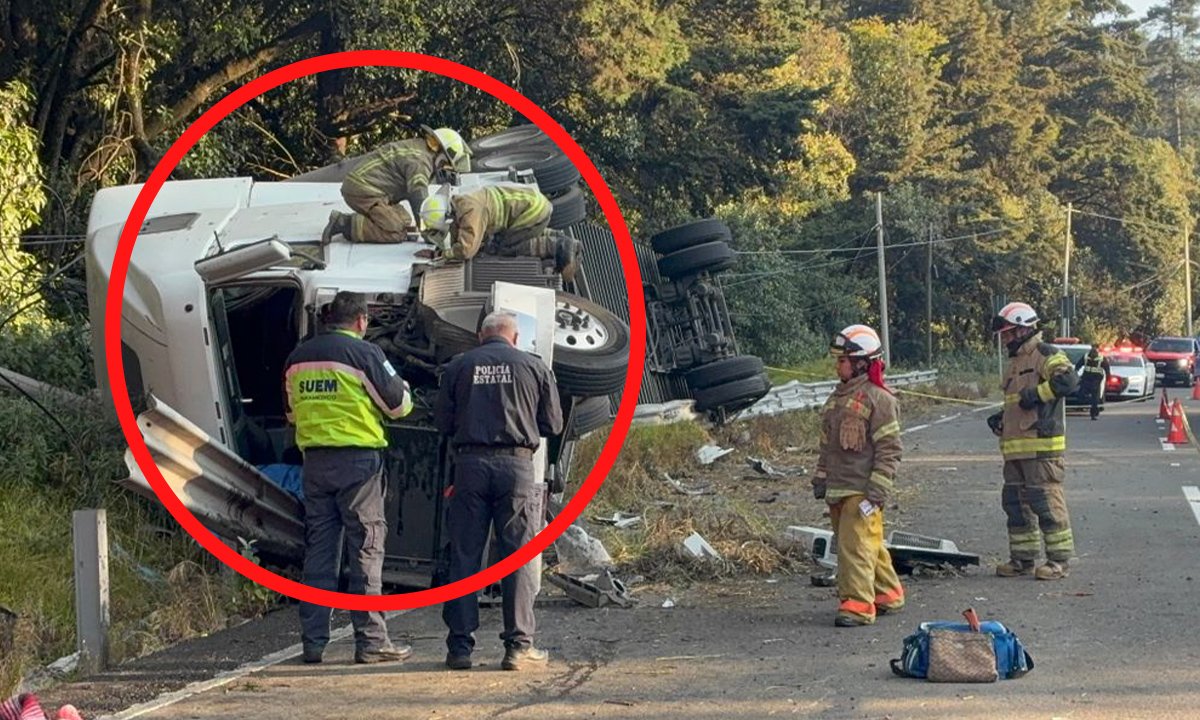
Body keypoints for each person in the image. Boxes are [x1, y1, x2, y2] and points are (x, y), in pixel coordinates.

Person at [284, 291, 415, 664]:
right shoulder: (364, 354)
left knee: (320, 553)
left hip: (315, 465)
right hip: (358, 466)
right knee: (366, 549)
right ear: (361, 321)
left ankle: (312, 643)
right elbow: (399, 405)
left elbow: (292, 414)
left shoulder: (297, 358)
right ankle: (371, 642)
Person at [434, 311, 563, 671]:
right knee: (517, 556)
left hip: (470, 466)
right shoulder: (534, 367)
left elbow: (442, 421)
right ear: (515, 338)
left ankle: (459, 648)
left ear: (480, 336)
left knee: (464, 557)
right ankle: (519, 647)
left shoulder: (460, 367)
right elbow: (552, 423)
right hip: (516, 466)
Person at [811, 324, 905, 627]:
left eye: (842, 360)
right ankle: (887, 593)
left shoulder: (880, 400)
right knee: (865, 543)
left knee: (853, 548)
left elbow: (890, 450)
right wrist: (821, 477)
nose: (837, 365)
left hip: (861, 490)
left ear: (861, 362)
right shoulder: (838, 399)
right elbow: (828, 445)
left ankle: (858, 606)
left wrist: (876, 492)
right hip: (838, 487)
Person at [986, 301, 1078, 580]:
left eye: (1008, 333)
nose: (1004, 338)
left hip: (1041, 448)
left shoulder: (1045, 353)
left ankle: (1058, 562)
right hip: (1015, 449)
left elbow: (1068, 382)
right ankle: (1022, 560)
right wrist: (1002, 416)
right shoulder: (1016, 362)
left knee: (1046, 502)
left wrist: (1038, 394)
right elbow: (1018, 401)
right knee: (1015, 503)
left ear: (1024, 330)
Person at [322, 127, 471, 245]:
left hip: (369, 188)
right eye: (446, 164)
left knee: (405, 221)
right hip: (363, 190)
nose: (444, 168)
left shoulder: (420, 149)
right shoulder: (420, 161)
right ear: (440, 152)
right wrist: (428, 231)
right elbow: (418, 196)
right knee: (395, 231)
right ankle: (344, 223)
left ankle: (369, 219)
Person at [418, 185, 583, 281]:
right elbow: (460, 235)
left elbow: (468, 250)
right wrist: (438, 253)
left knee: (507, 248)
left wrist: (445, 255)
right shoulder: (460, 202)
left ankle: (560, 247)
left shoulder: (471, 212)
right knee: (519, 234)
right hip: (533, 207)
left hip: (533, 211)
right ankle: (563, 239)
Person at [1075, 346, 1110, 421]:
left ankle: (1093, 414)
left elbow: (1107, 369)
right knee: (1081, 395)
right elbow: (1078, 365)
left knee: (1095, 399)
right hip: (1086, 379)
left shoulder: (1101, 358)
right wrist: (1075, 372)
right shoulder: (1086, 357)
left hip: (1096, 381)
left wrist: (1108, 379)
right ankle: (1087, 405)